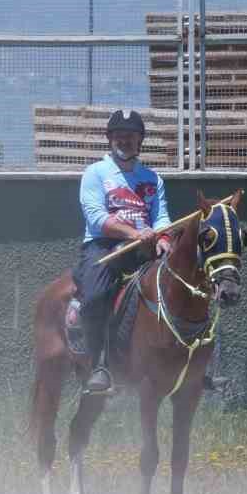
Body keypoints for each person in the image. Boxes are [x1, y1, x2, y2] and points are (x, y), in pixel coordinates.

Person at [73, 109, 171, 395]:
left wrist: (163, 237)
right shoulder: (95, 173)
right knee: (94, 297)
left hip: (146, 246)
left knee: (184, 283)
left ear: (140, 140)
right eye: (119, 136)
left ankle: (188, 363)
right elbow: (97, 218)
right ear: (109, 140)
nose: (124, 141)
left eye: (130, 136)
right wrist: (134, 234)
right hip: (104, 247)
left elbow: (161, 215)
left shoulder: (153, 179)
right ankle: (99, 366)